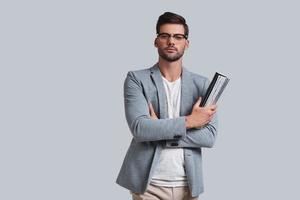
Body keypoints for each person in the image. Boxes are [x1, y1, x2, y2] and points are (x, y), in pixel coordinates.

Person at [116, 12, 218, 200]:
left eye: (178, 37)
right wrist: (190, 122)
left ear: (186, 44)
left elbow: (209, 137)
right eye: (165, 36)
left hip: (188, 184)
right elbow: (140, 129)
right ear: (156, 42)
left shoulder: (203, 85)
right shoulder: (136, 79)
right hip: (148, 185)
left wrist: (158, 130)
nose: (171, 41)